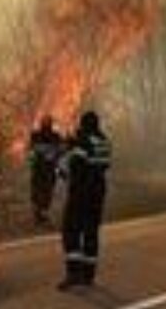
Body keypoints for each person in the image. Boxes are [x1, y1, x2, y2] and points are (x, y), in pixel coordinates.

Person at [58, 111, 112, 290]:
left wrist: (62, 170)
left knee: (70, 230)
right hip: (98, 192)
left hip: (81, 192)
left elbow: (74, 167)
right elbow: (104, 164)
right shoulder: (104, 141)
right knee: (91, 231)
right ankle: (88, 276)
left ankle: (73, 274)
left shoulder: (83, 142)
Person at [28, 116, 64, 225]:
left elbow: (60, 151)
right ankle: (39, 215)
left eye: (48, 122)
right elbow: (32, 150)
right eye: (45, 122)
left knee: (47, 192)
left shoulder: (55, 136)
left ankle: (42, 215)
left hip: (49, 170)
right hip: (38, 169)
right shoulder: (36, 135)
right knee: (37, 192)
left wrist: (56, 160)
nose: (47, 125)